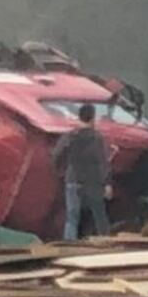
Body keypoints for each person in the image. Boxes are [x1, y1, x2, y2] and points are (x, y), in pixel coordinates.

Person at [52, 103, 112, 240]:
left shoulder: (70, 136)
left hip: (73, 179)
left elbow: (56, 154)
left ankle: (69, 244)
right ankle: (107, 243)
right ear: (93, 118)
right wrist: (107, 183)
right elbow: (104, 162)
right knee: (99, 215)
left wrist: (60, 171)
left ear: (79, 117)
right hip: (93, 181)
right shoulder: (98, 138)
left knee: (72, 217)